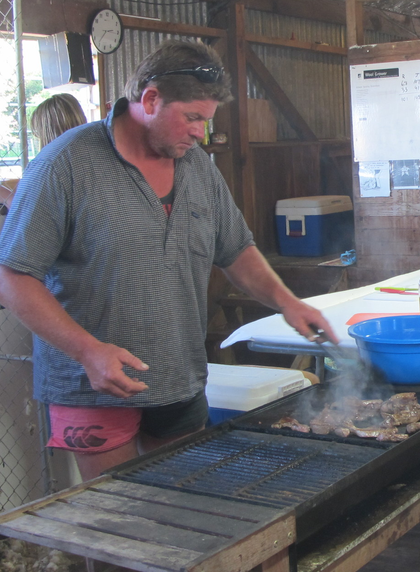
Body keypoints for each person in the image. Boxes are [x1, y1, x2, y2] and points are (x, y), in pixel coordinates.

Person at [0, 40, 335, 480]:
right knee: (117, 521)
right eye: (192, 117)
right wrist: (88, 351)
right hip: (95, 387)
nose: (201, 133)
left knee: (180, 511)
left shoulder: (198, 167)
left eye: (206, 120)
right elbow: (14, 275)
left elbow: (235, 250)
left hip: (180, 378)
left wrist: (288, 302)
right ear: (150, 99)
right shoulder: (66, 164)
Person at [0, 94, 87, 210]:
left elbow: (28, 212)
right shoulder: (92, 158)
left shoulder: (47, 166)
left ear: (46, 132)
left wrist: (4, 194)